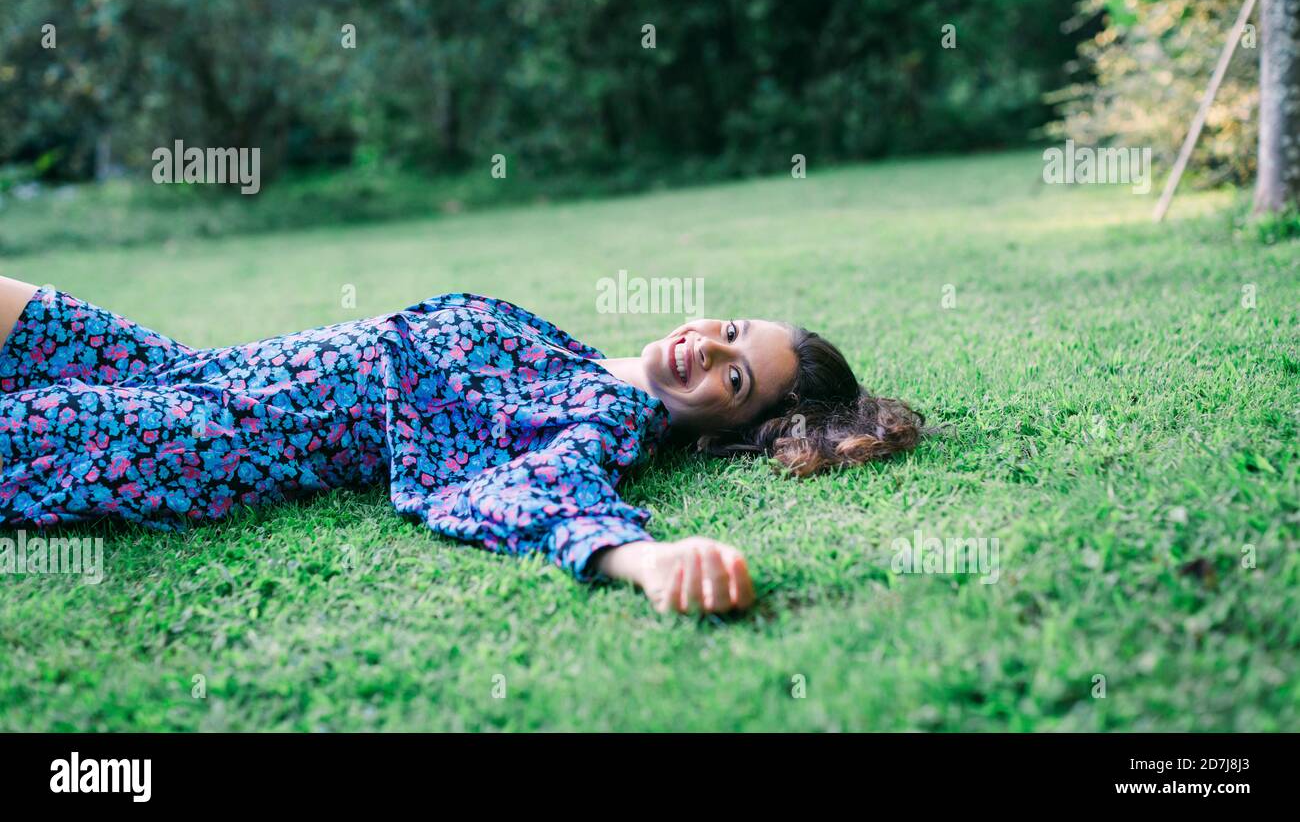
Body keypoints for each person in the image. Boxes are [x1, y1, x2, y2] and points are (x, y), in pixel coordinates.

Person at [0, 276, 923, 615]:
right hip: (197, 369)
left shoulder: (599, 422)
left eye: (733, 377)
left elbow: (541, 494)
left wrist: (645, 560)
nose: (705, 346)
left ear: (737, 429)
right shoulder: (569, 355)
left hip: (206, 436)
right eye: (727, 327)